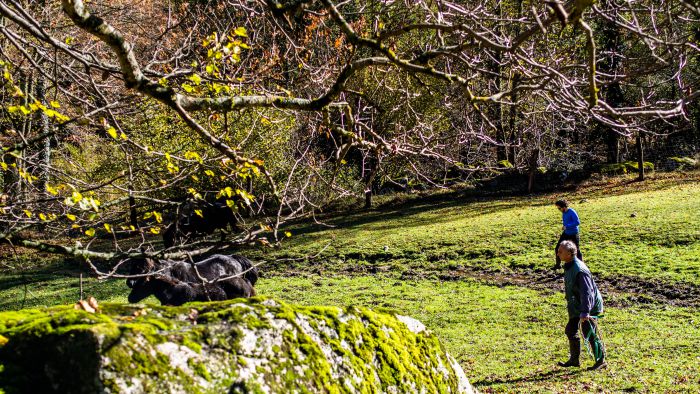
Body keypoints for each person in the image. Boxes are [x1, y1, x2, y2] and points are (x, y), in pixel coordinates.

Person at [556, 240, 607, 371]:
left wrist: (585, 311)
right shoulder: (569, 265)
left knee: (589, 332)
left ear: (569, 253)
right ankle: (574, 360)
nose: (557, 253)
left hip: (588, 307)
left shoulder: (579, 270)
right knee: (571, 330)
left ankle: (601, 361)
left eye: (560, 251)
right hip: (577, 306)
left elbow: (587, 292)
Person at [553, 199, 583, 269]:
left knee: (576, 250)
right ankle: (558, 265)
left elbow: (577, 222)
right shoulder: (564, 213)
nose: (559, 210)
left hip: (573, 233)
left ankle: (581, 266)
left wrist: (567, 226)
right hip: (566, 233)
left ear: (564, 206)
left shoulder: (572, 212)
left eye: (559, 208)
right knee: (557, 248)